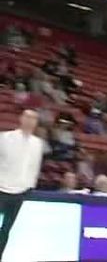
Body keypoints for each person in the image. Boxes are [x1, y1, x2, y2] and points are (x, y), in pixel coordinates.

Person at [0, 109, 44, 258]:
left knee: (6, 229)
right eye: (28, 116)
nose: (30, 120)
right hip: (1, 189)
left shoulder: (38, 143)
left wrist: (30, 186)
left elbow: (34, 166)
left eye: (34, 118)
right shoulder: (5, 138)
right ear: (21, 118)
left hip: (20, 192)